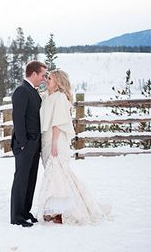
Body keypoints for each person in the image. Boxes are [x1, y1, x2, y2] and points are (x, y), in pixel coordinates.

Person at [37, 69, 109, 224]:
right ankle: (57, 208)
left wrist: (55, 143)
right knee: (54, 174)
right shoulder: (47, 96)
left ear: (58, 83)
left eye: (50, 78)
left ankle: (58, 211)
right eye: (47, 77)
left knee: (57, 173)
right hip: (46, 139)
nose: (47, 80)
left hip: (56, 140)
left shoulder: (61, 97)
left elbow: (57, 122)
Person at [10, 60, 47, 227]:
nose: (43, 78)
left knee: (30, 179)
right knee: (21, 179)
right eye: (42, 75)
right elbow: (18, 119)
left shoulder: (33, 91)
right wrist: (23, 143)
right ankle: (16, 216)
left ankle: (25, 211)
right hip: (24, 144)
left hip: (34, 143)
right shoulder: (21, 91)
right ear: (33, 74)